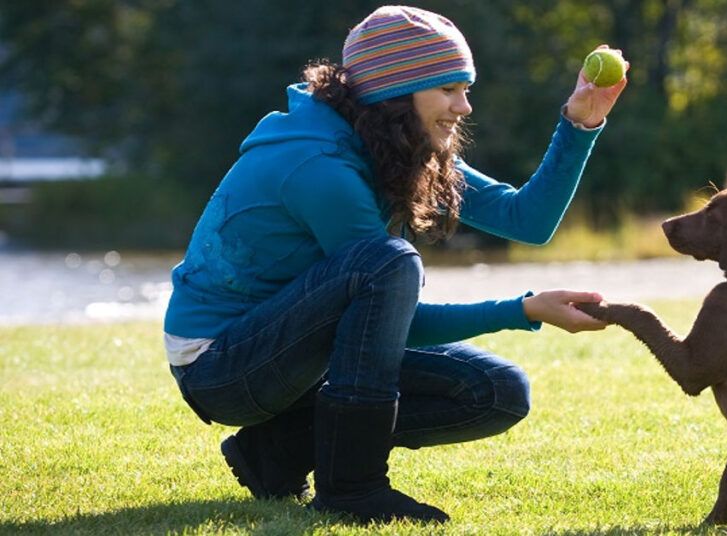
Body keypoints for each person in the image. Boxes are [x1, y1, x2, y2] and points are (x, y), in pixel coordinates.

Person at [163, 4, 627, 524]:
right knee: (387, 262)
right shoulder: (321, 167)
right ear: (395, 94)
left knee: (496, 392)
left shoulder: (397, 145)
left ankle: (277, 451)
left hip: (297, 357)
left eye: (465, 88)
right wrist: (524, 310)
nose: (465, 107)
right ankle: (352, 489)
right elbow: (398, 316)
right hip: (220, 365)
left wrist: (580, 122)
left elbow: (527, 219)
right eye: (449, 89)